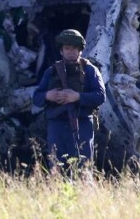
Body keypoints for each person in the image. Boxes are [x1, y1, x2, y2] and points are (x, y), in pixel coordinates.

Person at [33, 29, 106, 170]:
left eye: (75, 48)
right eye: (67, 48)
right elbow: (36, 98)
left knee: (83, 169)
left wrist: (77, 96)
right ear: (61, 51)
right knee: (57, 168)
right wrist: (48, 95)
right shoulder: (51, 71)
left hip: (82, 124)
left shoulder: (90, 71)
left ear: (80, 51)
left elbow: (100, 96)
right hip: (57, 125)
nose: (71, 52)